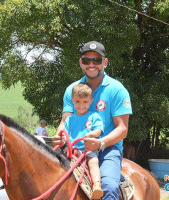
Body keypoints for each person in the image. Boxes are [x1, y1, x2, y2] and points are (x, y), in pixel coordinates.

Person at [53, 41, 132, 200]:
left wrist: (100, 143)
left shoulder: (117, 90)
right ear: (81, 63)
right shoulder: (72, 89)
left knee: (108, 188)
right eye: (86, 60)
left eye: (97, 60)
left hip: (107, 149)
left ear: (105, 62)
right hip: (74, 147)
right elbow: (65, 121)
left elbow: (122, 129)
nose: (91, 64)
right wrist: (59, 136)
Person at [64, 83, 104, 199]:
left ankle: (96, 185)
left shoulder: (94, 116)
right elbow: (65, 133)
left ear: (91, 101)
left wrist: (91, 134)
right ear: (72, 100)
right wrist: (63, 139)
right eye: (77, 102)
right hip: (71, 151)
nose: (81, 105)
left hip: (87, 149)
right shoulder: (69, 120)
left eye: (85, 102)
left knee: (93, 162)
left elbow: (99, 130)